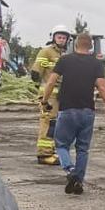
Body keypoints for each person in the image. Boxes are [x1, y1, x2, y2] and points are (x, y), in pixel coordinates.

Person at [40, 31, 105, 194]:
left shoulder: (65, 60)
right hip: (87, 111)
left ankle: (70, 170)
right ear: (91, 46)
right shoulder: (96, 64)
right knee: (82, 149)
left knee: (61, 145)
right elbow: (102, 87)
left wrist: (44, 100)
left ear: (75, 44)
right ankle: (78, 182)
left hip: (67, 110)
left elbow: (51, 81)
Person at [31, 27, 72, 166]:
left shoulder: (65, 54)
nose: (61, 39)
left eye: (64, 37)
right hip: (49, 94)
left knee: (57, 123)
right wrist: (37, 90)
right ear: (53, 37)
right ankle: (44, 154)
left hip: (62, 93)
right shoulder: (46, 51)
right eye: (59, 37)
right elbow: (36, 72)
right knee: (48, 122)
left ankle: (51, 149)